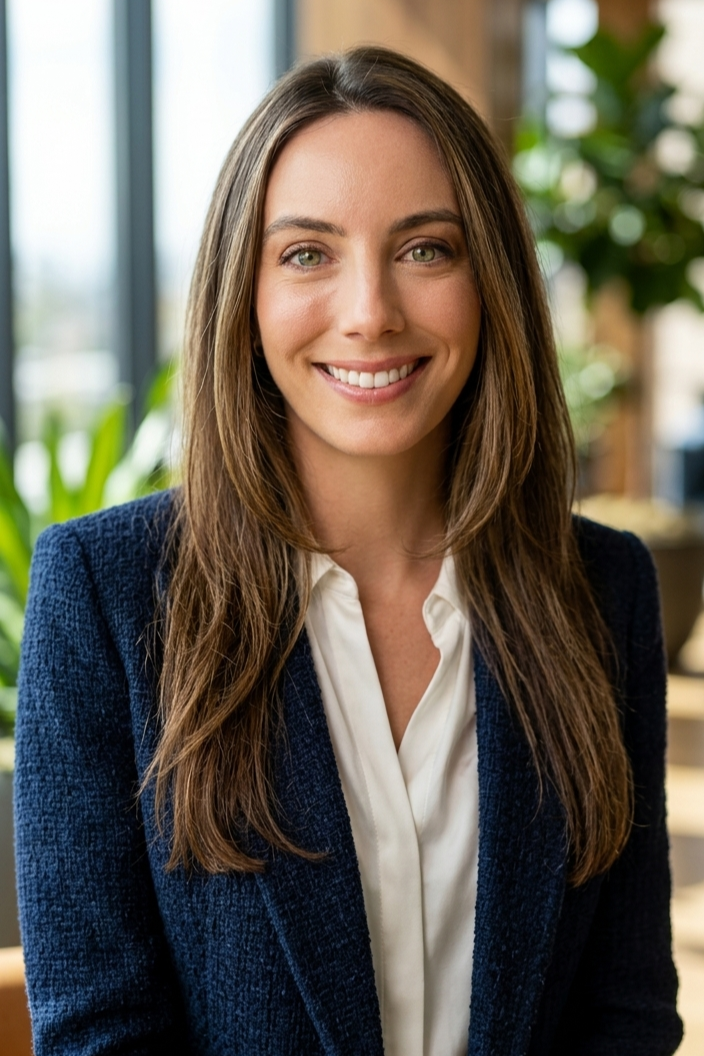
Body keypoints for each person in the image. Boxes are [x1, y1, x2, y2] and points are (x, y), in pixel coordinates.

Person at [14, 46, 682, 1056]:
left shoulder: (599, 590)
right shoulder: (106, 596)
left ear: (488, 279)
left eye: (425, 248)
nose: (369, 312)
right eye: (306, 253)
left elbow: (623, 1014)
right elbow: (99, 1031)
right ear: (243, 292)